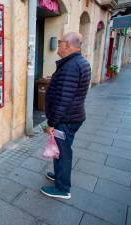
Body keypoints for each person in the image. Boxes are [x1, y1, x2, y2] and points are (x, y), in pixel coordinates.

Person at [40, 32, 91, 200]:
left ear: (67, 45)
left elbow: (63, 98)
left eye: (60, 42)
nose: (58, 45)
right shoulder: (79, 62)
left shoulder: (71, 66)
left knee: (62, 152)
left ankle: (62, 189)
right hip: (72, 117)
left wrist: (52, 123)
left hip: (66, 119)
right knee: (61, 150)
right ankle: (59, 175)